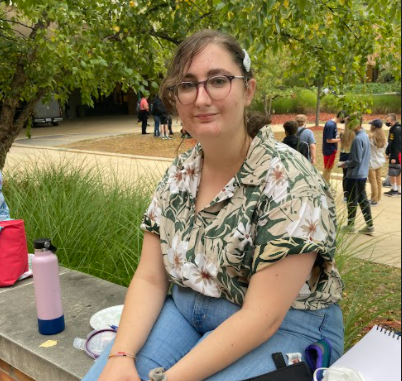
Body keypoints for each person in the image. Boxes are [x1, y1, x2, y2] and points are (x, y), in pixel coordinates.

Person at [82, 30, 344, 381]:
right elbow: (149, 277)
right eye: (187, 85)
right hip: (189, 309)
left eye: (218, 80)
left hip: (285, 324)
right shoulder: (180, 172)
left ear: (248, 89)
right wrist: (121, 355)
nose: (201, 98)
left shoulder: (290, 180)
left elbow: (261, 318)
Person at [339, 114, 374, 236]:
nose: (347, 126)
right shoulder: (364, 136)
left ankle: (350, 225)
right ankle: (369, 225)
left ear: (356, 124)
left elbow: (356, 160)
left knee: (351, 201)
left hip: (354, 175)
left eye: (349, 123)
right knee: (362, 199)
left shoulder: (358, 139)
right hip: (362, 173)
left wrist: (344, 163)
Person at [322, 111, 347, 185]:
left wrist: (339, 137)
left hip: (331, 150)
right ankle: (325, 185)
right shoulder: (331, 125)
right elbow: (328, 140)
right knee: (327, 169)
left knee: (328, 168)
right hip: (329, 150)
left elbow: (332, 137)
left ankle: (326, 183)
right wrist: (341, 140)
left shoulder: (333, 124)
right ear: (341, 116)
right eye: (345, 118)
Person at [368, 119, 387, 206]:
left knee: (373, 181)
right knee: (378, 180)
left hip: (371, 162)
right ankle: (378, 198)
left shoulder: (370, 137)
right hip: (379, 161)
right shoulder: (384, 138)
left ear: (374, 126)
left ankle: (374, 200)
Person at [384, 113, 402, 197]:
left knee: (396, 172)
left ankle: (398, 190)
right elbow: (390, 143)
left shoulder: (397, 130)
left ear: (392, 120)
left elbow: (397, 144)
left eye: (388, 120)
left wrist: (394, 157)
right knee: (392, 172)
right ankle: (394, 189)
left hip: (397, 154)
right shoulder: (392, 129)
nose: (386, 122)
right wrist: (387, 153)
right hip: (393, 153)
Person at [339, 124, 356, 202]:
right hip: (351, 154)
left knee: (345, 176)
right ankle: (351, 194)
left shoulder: (342, 133)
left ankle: (346, 195)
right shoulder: (355, 134)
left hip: (343, 155)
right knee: (351, 176)